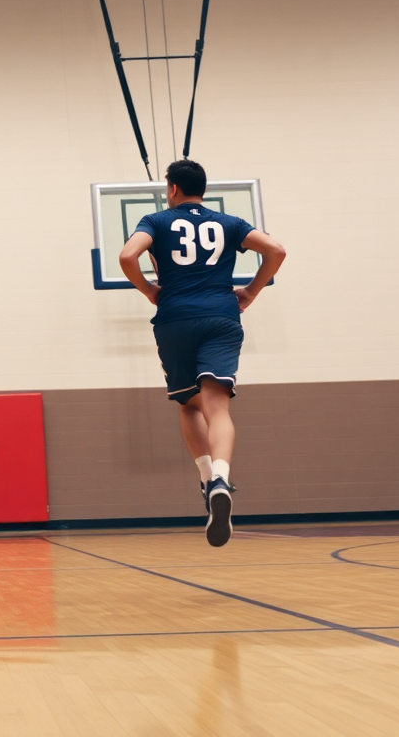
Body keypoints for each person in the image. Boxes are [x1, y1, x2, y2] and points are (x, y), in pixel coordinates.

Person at [118, 160, 286, 547]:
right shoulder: (229, 223)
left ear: (172, 189)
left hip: (175, 318)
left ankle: (207, 479)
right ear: (204, 190)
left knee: (189, 407)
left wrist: (148, 290)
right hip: (222, 317)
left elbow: (128, 256)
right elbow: (276, 250)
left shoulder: (156, 220)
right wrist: (251, 290)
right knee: (217, 407)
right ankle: (223, 480)